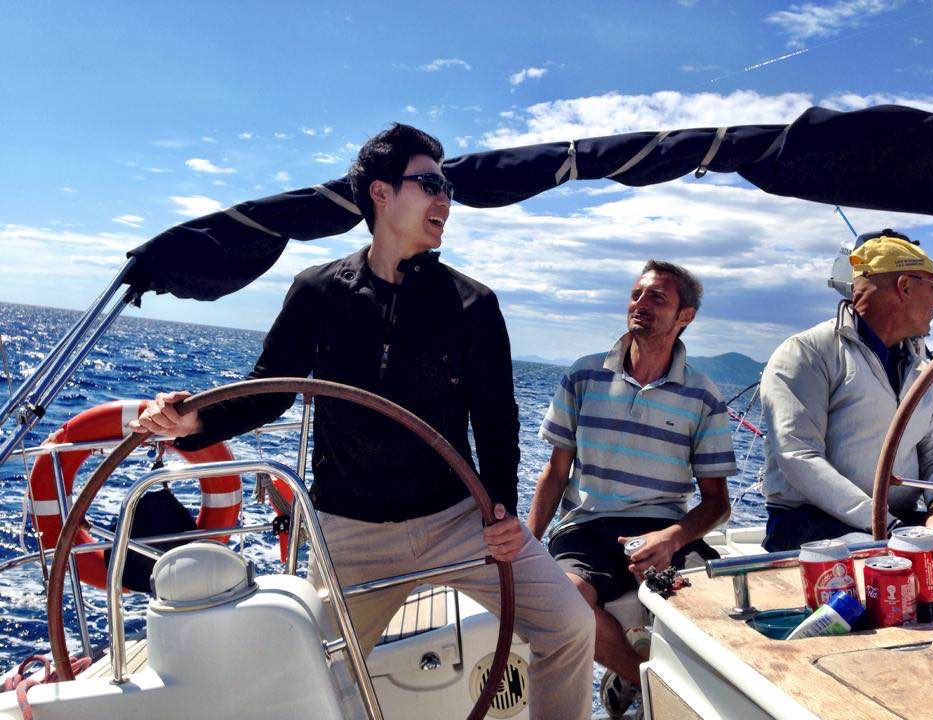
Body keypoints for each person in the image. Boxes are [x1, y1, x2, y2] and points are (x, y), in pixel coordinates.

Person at [132, 123, 595, 719]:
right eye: (430, 184)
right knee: (312, 678)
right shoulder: (318, 291)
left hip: (458, 520)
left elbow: (496, 420)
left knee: (570, 626)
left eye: (448, 188)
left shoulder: (473, 304)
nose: (445, 200)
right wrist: (190, 422)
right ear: (381, 192)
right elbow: (267, 391)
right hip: (351, 534)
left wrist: (501, 510)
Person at [527, 260, 736, 713]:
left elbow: (717, 503)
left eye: (657, 297)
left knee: (718, 606)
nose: (641, 304)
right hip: (586, 527)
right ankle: (644, 681)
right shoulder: (583, 377)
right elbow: (555, 473)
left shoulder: (703, 396)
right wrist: (525, 548)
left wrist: (671, 538)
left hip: (664, 528)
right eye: (637, 294)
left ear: (685, 317)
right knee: (564, 600)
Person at [761, 231, 933, 566]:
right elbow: (798, 456)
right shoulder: (807, 353)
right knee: (892, 567)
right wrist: (885, 525)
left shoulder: (920, 369)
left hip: (893, 522)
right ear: (904, 287)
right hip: (808, 523)